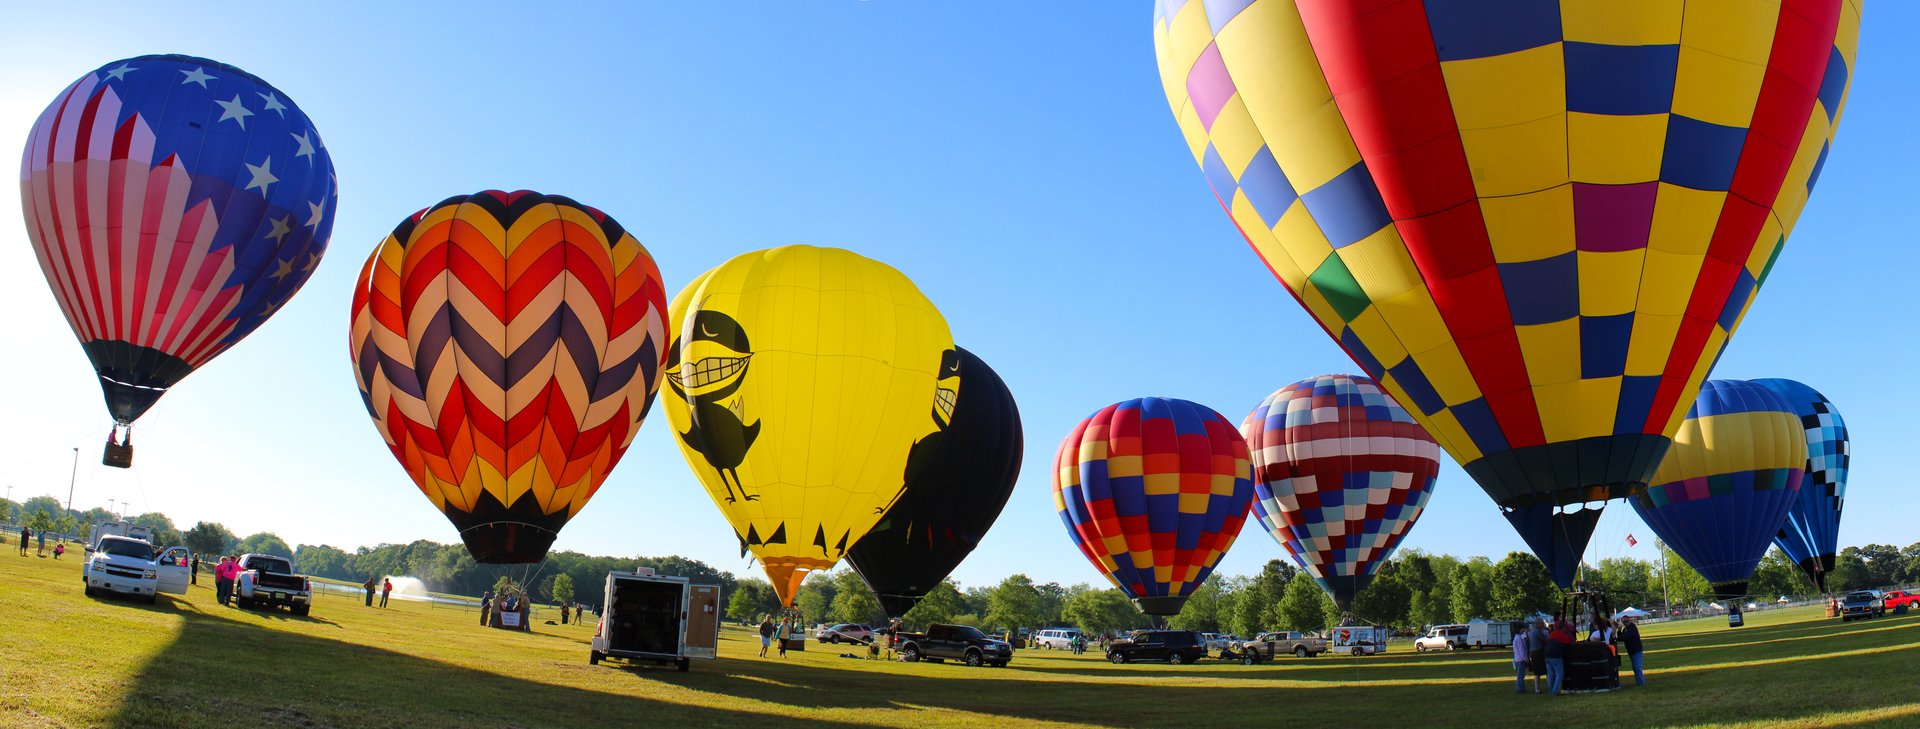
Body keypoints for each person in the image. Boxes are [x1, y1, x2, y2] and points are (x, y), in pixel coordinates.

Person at [1545, 618, 1574, 695]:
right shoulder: (1562, 635)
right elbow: (1571, 643)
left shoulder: (1552, 634)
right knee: (1559, 673)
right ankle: (1555, 690)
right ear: (1563, 627)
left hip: (1547, 656)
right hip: (1556, 656)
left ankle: (1550, 690)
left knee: (1550, 674)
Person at [1620, 615, 1646, 686]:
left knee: (1637, 667)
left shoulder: (1632, 627)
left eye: (1626, 621)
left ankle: (1641, 683)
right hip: (1631, 651)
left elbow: (1625, 636)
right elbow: (1620, 637)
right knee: (1635, 667)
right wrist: (1619, 630)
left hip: (1637, 650)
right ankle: (1639, 682)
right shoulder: (1625, 629)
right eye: (1623, 622)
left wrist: (1620, 636)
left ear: (1629, 620)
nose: (1625, 623)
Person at [1525, 619, 1547, 693]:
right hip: (1538, 652)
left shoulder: (1531, 631)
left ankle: (1537, 688)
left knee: (1537, 672)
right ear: (1538, 624)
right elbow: (1545, 640)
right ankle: (1538, 689)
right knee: (1540, 671)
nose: (1543, 625)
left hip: (1533, 652)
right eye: (1542, 623)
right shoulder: (1537, 631)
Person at [1511, 623, 1531, 694]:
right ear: (1520, 629)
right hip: (1521, 659)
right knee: (1520, 675)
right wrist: (1526, 659)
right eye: (1522, 628)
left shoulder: (1516, 637)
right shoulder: (1519, 638)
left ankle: (1521, 688)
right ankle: (1520, 689)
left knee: (1521, 675)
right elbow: (1521, 650)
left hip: (1518, 659)